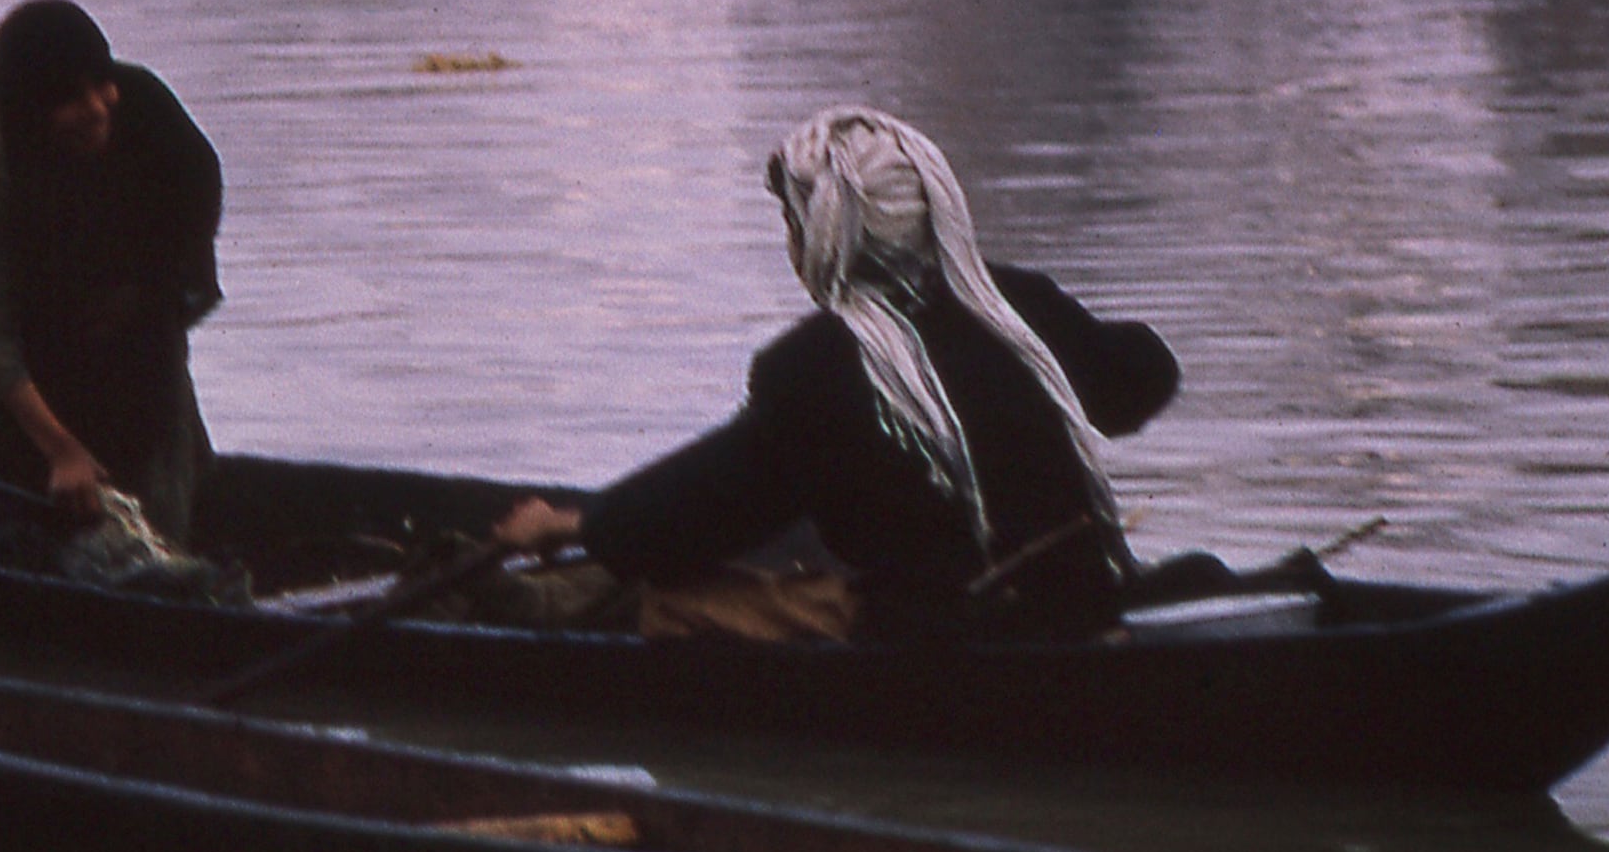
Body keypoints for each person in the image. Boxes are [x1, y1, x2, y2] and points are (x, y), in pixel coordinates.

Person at [493, 107, 1175, 641]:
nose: (792, 246)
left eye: (793, 224)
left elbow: (674, 525)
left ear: (824, 234)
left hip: (942, 634)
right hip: (1086, 599)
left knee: (671, 602)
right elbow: (1144, 377)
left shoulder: (811, 369)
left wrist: (575, 528)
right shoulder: (1020, 308)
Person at [0, 0, 224, 537]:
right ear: (33, 112)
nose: (97, 108)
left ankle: (169, 525)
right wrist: (63, 449)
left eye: (101, 84)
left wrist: (135, 304)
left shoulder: (158, 130)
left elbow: (182, 270)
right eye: (69, 100)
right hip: (15, 273)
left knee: (149, 381)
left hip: (122, 263)